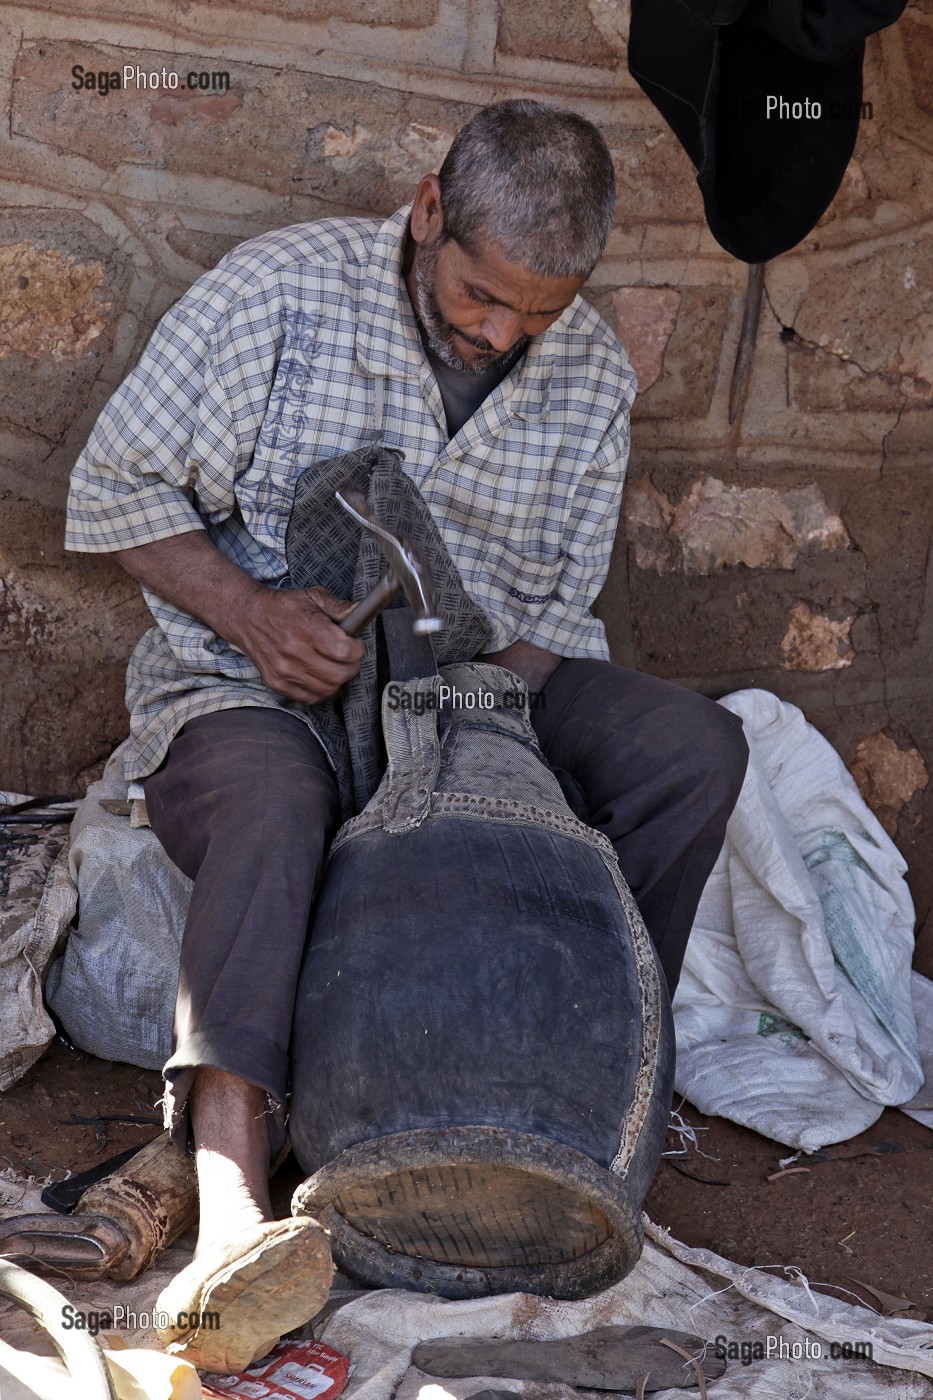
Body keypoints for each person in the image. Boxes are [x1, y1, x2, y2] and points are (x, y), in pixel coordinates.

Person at [65, 99, 748, 1371]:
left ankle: (585, 1098)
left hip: (480, 694)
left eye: (535, 314)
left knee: (689, 750)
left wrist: (469, 741)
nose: (502, 334)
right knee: (277, 807)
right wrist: (255, 612)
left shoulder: (589, 372)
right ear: (430, 210)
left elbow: (550, 617)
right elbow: (112, 490)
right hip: (251, 687)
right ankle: (227, 1191)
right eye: (482, 295)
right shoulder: (282, 293)